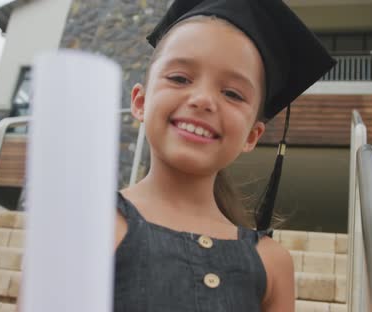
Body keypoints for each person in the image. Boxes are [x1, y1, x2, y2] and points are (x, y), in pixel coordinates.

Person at [115, 0, 336, 311]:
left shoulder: (271, 263)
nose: (203, 100)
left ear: (252, 135)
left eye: (232, 93)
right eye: (179, 78)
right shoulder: (92, 224)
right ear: (139, 101)